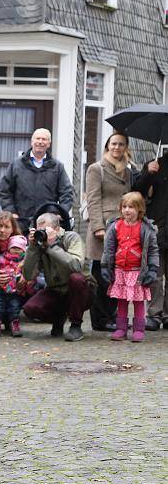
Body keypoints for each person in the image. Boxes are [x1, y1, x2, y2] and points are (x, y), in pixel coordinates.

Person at [84, 132, 134, 332]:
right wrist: (98, 227)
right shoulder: (97, 169)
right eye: (113, 144)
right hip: (103, 228)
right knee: (101, 275)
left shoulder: (129, 171)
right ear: (107, 146)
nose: (117, 148)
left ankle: (112, 315)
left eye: (121, 144)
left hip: (122, 228)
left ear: (126, 148)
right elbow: (93, 199)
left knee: (117, 274)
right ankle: (99, 319)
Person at [21, 212, 95, 341]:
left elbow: (76, 266)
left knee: (76, 279)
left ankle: (76, 325)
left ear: (56, 229)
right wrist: (32, 248)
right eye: (39, 231)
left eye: (45, 230)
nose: (42, 234)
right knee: (30, 309)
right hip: (56, 290)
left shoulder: (71, 238)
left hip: (82, 290)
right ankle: (58, 318)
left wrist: (52, 246)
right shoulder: (40, 245)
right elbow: (28, 275)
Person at [100, 192, 158, 342]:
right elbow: (109, 249)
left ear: (139, 209)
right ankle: (121, 328)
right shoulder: (115, 227)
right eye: (124, 207)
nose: (127, 210)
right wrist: (106, 266)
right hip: (120, 270)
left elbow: (152, 250)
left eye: (131, 207)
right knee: (122, 300)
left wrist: (152, 269)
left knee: (139, 301)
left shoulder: (146, 228)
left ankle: (139, 329)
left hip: (137, 271)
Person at [0, 128, 74, 233]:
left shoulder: (57, 167)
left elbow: (67, 193)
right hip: (21, 222)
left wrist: (60, 213)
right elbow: (4, 191)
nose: (40, 142)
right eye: (37, 138)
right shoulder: (16, 164)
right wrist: (11, 212)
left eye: (44, 139)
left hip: (47, 225)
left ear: (49, 144)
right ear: (32, 141)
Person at [130, 145, 168, 331]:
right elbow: (137, 192)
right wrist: (148, 174)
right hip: (158, 228)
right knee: (155, 274)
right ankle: (154, 314)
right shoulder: (154, 164)